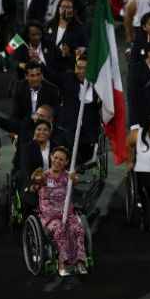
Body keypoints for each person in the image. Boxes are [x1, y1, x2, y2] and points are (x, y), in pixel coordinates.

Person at [30, 147, 88, 276]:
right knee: (60, 228)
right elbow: (34, 185)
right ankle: (63, 263)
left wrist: (74, 178)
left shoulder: (69, 176)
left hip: (67, 212)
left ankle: (80, 262)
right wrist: (35, 181)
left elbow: (76, 182)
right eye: (55, 158)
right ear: (51, 157)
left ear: (66, 162)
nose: (57, 161)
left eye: (61, 159)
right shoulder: (43, 175)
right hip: (50, 215)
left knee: (78, 228)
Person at [58, 56, 102, 164]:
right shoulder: (69, 79)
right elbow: (54, 77)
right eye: (79, 68)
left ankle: (76, 163)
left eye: (85, 68)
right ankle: (73, 164)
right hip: (70, 126)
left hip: (89, 130)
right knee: (67, 141)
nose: (81, 72)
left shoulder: (99, 84)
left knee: (85, 148)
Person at [45, 0, 88, 74]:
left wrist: (71, 52)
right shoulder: (49, 25)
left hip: (69, 69)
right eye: (63, 7)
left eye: (69, 7)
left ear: (73, 10)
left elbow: (86, 48)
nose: (65, 9)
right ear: (58, 9)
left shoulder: (79, 27)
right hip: (51, 68)